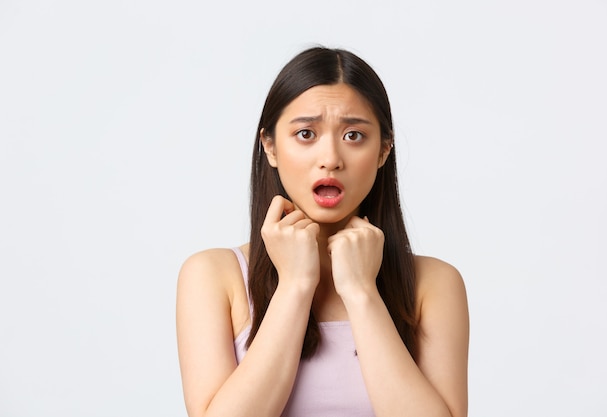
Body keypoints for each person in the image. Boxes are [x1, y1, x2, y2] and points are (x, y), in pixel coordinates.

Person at [176, 46, 469, 417]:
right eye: (305, 133)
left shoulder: (434, 283)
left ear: (383, 150)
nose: (330, 158)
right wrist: (295, 284)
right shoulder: (214, 275)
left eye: (353, 136)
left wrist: (362, 293)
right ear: (270, 146)